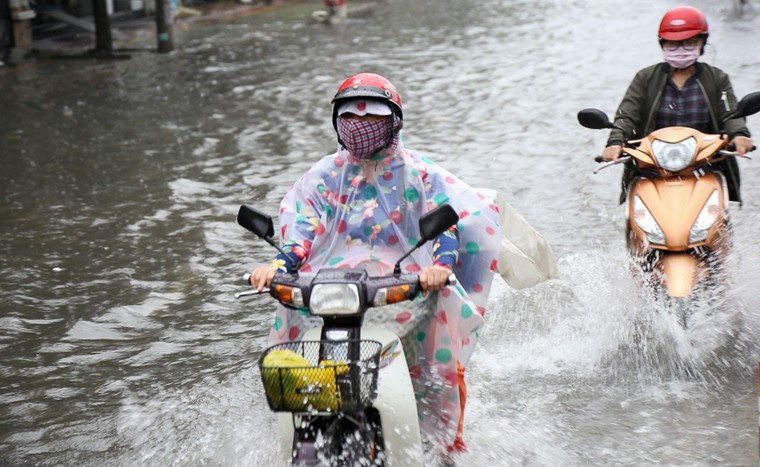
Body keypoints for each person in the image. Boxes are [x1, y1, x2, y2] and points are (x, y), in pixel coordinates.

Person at [250, 72, 502, 453]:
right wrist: (277, 266)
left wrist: (441, 267)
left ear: (394, 122)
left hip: (408, 285)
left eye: (372, 120)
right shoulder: (323, 176)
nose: (361, 128)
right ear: (337, 123)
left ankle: (448, 449)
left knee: (439, 369)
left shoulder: (420, 174)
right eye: (352, 119)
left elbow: (443, 227)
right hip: (333, 286)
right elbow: (301, 230)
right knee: (299, 358)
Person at [602, 6, 753, 205]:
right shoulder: (645, 78)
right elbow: (627, 115)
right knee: (638, 217)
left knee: (717, 219)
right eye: (673, 44)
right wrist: (615, 142)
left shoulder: (717, 78)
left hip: (704, 164)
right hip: (653, 165)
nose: (681, 50)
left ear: (702, 43)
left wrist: (740, 135)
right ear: (662, 44)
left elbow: (730, 113)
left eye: (690, 43)